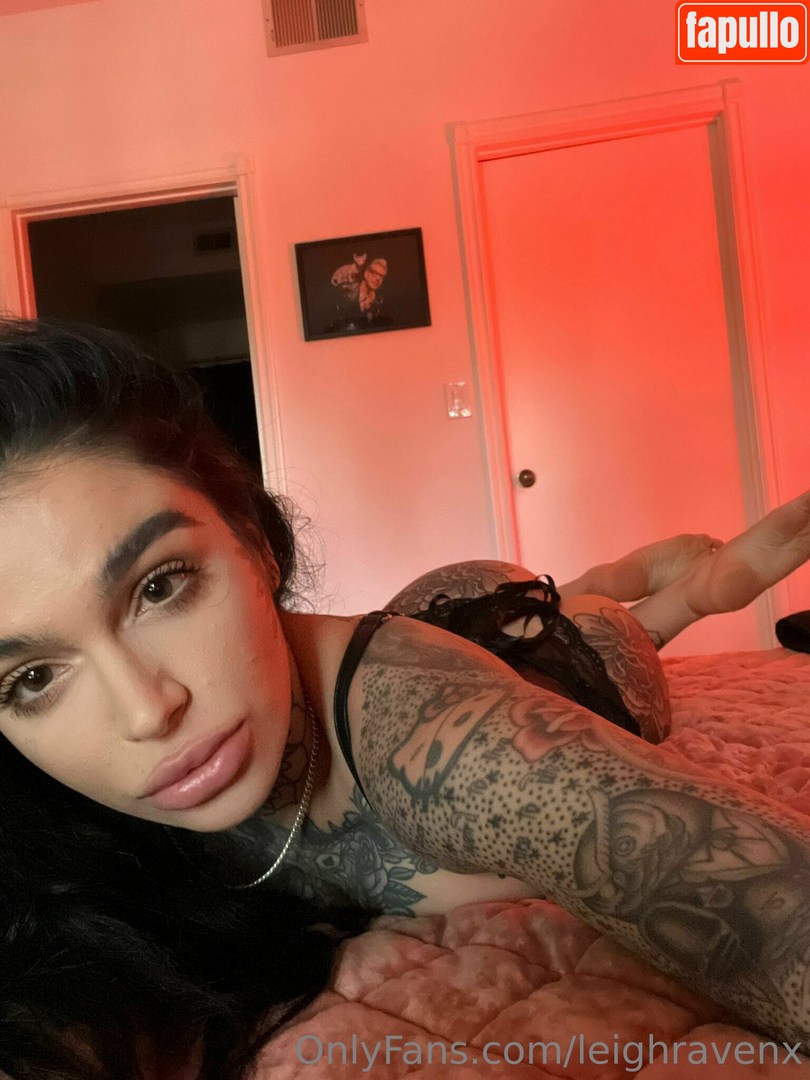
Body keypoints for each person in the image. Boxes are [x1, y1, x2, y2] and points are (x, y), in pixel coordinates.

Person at [0, 318, 809, 1079]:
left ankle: (679, 595)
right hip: (424, 612)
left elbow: (774, 915)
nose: (146, 712)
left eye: (161, 586)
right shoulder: (50, 809)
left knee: (595, 637)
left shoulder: (462, 748)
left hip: (508, 646)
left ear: (254, 539)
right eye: (33, 677)